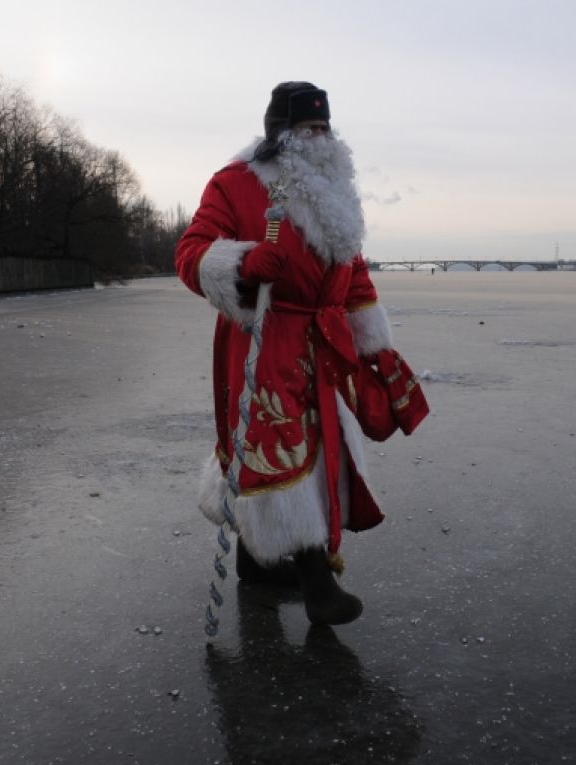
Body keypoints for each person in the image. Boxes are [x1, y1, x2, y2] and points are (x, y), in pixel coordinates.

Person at [176, 81, 428, 626]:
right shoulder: (235, 184)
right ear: (280, 134)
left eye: (324, 128)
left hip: (323, 344)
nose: (318, 137)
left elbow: (353, 275)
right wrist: (240, 264)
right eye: (306, 128)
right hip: (264, 337)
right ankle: (318, 583)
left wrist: (375, 346)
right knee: (282, 449)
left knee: (318, 447)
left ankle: (257, 562)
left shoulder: (337, 195)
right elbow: (191, 252)